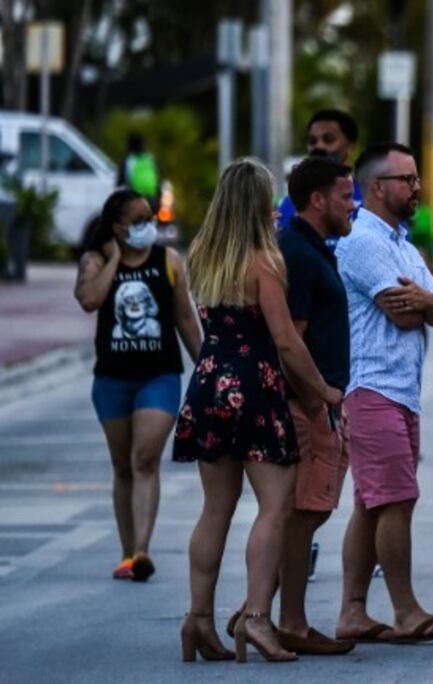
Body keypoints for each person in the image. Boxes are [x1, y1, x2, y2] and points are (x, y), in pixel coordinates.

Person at [173, 158, 344, 663]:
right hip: (254, 384)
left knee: (215, 509)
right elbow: (286, 341)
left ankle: (198, 620)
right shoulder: (264, 261)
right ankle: (257, 620)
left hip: (208, 381)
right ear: (256, 204)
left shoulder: (202, 256)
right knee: (276, 505)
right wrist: (322, 391)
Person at [334, 142, 433, 645]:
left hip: (402, 390)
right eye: (407, 180)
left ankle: (352, 613)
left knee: (372, 502)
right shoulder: (363, 240)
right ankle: (405, 610)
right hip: (371, 386)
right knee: (397, 497)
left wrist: (429, 300)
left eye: (416, 179)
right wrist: (428, 303)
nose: (417, 188)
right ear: (377, 188)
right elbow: (408, 314)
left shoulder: (404, 245)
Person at [74, 188, 202, 582]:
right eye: (139, 221)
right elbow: (89, 300)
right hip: (111, 379)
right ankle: (127, 552)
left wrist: (208, 366)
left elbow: (185, 318)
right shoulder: (95, 260)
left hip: (158, 376)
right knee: (122, 465)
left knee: (144, 458)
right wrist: (114, 259)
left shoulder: (169, 261)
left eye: (150, 218)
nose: (149, 226)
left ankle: (143, 549)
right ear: (116, 227)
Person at [272, 156, 358, 655]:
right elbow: (292, 340)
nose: (353, 206)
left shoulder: (315, 248)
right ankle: (292, 623)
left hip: (321, 400)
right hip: (307, 404)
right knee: (303, 513)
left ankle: (268, 609)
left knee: (310, 511)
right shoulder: (300, 254)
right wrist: (317, 398)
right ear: (318, 199)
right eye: (346, 197)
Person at [276, 109, 361, 230]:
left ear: (350, 147)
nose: (319, 146)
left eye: (329, 139)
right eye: (312, 141)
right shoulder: (288, 204)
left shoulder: (367, 203)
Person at [116, 133, 160, 213]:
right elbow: (159, 180)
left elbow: (119, 182)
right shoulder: (151, 159)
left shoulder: (129, 160)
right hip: (152, 199)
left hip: (135, 199)